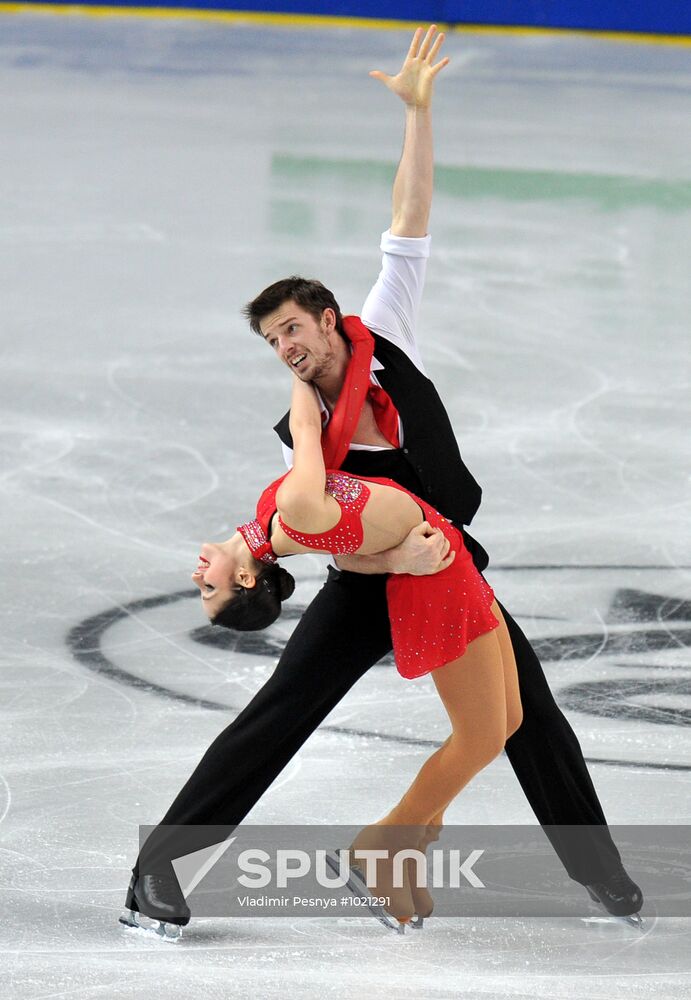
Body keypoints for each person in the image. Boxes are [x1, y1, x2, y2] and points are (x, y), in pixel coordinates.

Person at [123, 25, 642, 937]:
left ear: (326, 318)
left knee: (529, 718)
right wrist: (375, 551)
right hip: (371, 582)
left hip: (446, 568)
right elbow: (317, 522)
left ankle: (599, 875)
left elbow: (409, 218)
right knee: (281, 714)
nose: (286, 346)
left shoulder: (383, 336)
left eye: (292, 327)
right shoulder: (304, 432)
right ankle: (155, 873)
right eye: (272, 340)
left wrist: (417, 112)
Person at [187, 368, 523, 928]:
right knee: (483, 736)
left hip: (445, 560)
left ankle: (410, 843)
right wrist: (302, 374)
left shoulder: (273, 529)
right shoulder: (286, 514)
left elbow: (343, 547)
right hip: (435, 582)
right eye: (208, 587)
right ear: (245, 580)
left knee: (507, 721)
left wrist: (390, 559)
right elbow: (304, 432)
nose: (199, 574)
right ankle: (384, 843)